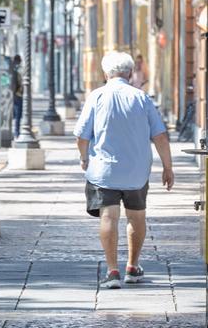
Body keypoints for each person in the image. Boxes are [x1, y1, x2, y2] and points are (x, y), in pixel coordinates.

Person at [74, 51, 175, 290]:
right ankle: (132, 266)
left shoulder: (96, 96)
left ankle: (112, 271)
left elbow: (81, 135)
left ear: (105, 73)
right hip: (137, 172)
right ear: (130, 73)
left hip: (104, 171)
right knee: (136, 217)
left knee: (109, 217)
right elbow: (160, 136)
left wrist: (84, 157)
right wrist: (167, 167)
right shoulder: (142, 98)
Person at [11, 55, 24, 136]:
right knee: (18, 115)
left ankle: (16, 132)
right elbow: (18, 83)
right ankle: (16, 132)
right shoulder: (17, 70)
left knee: (16, 115)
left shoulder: (12, 69)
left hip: (14, 95)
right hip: (17, 95)